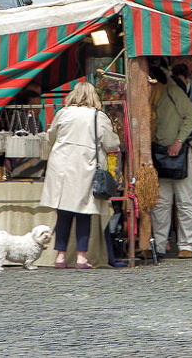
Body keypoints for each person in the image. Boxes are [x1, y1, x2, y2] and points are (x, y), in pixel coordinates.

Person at [40, 81, 119, 269]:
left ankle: (60, 256)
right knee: (84, 212)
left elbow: (51, 138)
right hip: (85, 167)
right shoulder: (98, 117)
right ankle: (81, 257)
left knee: (63, 212)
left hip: (61, 166)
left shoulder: (63, 113)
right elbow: (110, 144)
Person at [152, 65, 192, 259]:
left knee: (185, 202)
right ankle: (159, 243)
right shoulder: (150, 97)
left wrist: (179, 141)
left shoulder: (172, 91)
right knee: (161, 202)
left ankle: (187, 245)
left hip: (181, 153)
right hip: (160, 153)